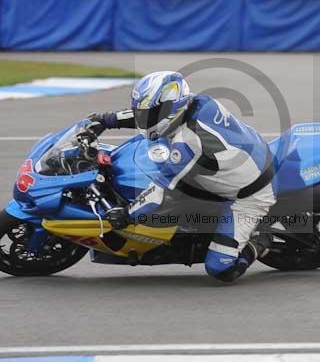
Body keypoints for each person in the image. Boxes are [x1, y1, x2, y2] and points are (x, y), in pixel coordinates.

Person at [85, 70, 275, 282]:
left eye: (150, 114)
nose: (144, 119)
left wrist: (126, 215)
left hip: (249, 195)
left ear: (170, 109)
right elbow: (149, 117)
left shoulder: (188, 143)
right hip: (245, 157)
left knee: (221, 268)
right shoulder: (196, 101)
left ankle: (262, 240)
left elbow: (158, 193)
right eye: (142, 113)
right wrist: (106, 120)